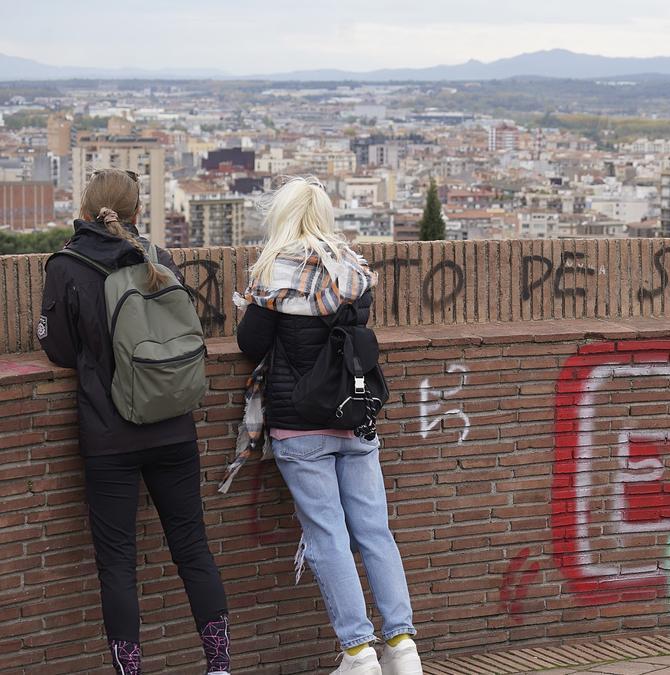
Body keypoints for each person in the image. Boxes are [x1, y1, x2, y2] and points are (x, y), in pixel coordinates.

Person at [38, 169, 231, 675]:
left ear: (84, 211)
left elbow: (58, 348)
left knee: (118, 565)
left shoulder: (66, 265)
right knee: (193, 550)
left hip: (108, 437)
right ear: (137, 213)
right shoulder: (159, 260)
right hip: (173, 427)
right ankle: (219, 666)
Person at [235, 176, 422, 675]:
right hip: (353, 416)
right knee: (375, 532)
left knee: (328, 538)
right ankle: (403, 647)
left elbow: (251, 343)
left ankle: (359, 652)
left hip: (300, 427)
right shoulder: (353, 271)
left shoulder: (275, 273)